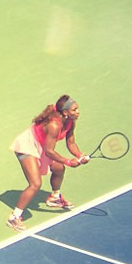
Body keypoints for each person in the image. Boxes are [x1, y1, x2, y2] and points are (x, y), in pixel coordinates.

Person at [6, 94, 89, 232]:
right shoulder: (54, 125)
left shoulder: (70, 121)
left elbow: (71, 142)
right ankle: (14, 217)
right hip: (28, 145)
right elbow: (49, 152)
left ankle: (55, 198)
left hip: (43, 146)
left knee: (59, 168)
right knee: (35, 184)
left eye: (77, 109)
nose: (78, 112)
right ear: (65, 112)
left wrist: (80, 155)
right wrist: (69, 161)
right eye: (74, 110)